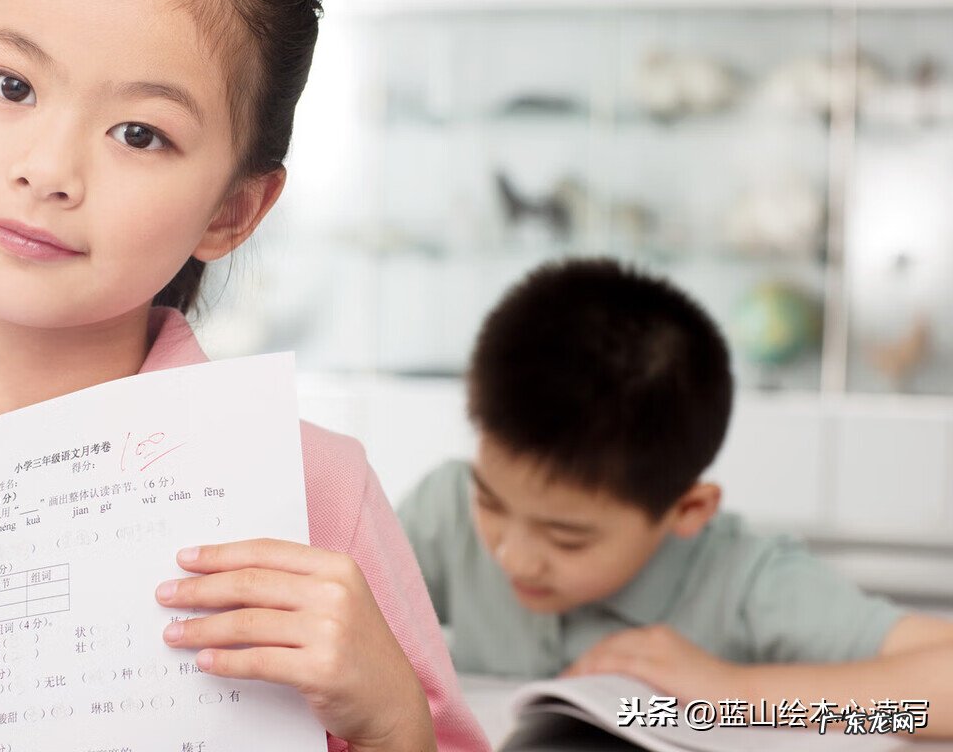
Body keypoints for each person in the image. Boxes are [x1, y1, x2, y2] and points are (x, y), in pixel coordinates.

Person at [0, 0, 489, 750]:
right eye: (11, 86)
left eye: (140, 134)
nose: (49, 171)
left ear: (233, 210)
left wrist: (392, 721)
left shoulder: (322, 498)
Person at [397, 258, 953, 735]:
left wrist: (737, 693)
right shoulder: (446, 510)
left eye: (567, 538)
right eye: (491, 504)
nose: (513, 557)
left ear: (688, 510)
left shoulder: (747, 581)